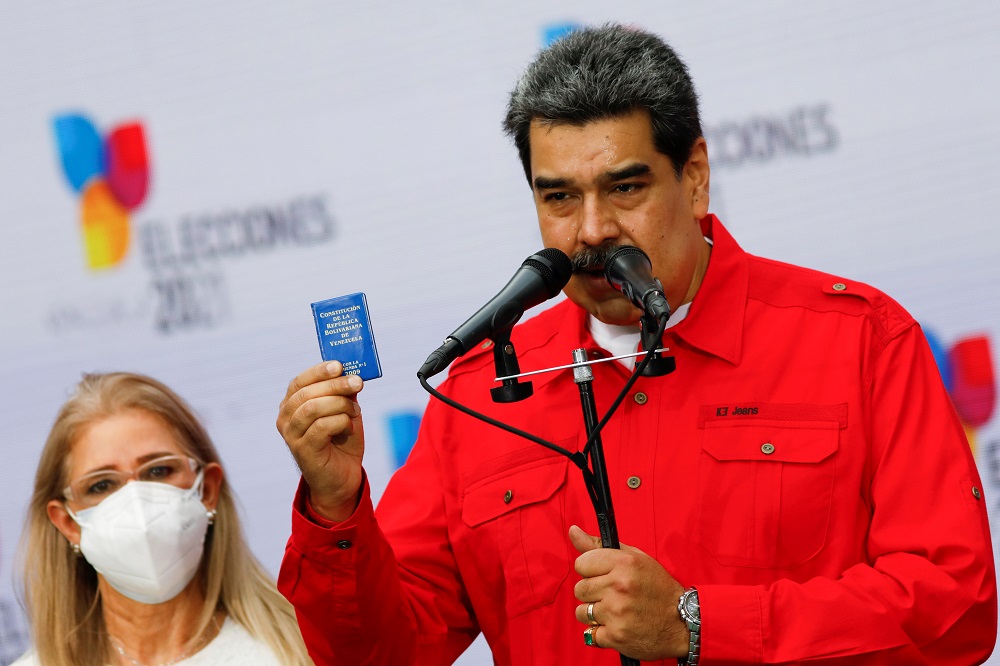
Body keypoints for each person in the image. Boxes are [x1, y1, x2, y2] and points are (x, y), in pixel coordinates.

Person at [275, 24, 997, 665]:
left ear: (695, 177)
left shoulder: (859, 339)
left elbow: (955, 608)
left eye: (624, 188)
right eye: (559, 198)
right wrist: (337, 509)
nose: (591, 231)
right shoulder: (479, 394)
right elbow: (382, 653)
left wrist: (699, 624)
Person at [15, 372, 313, 666]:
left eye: (158, 471)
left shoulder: (298, 654)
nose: (136, 504)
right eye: (101, 485)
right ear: (67, 523)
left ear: (207, 489)